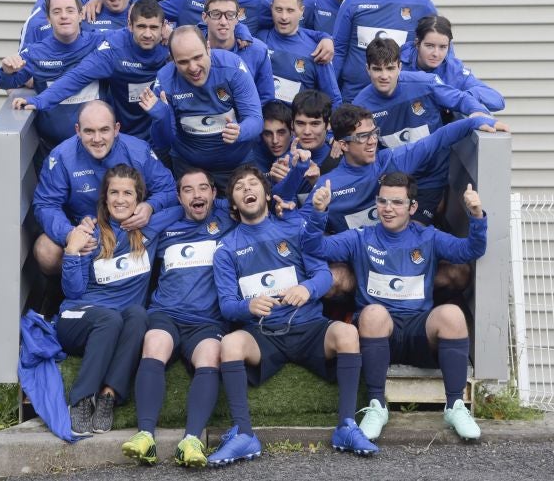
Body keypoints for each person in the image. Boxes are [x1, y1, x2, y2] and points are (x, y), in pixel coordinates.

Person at [208, 165, 378, 466]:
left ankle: (346, 427)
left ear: (266, 192)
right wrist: (247, 307)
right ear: (233, 203)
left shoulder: (295, 228)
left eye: (253, 184)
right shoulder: (226, 248)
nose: (248, 189)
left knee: (348, 333)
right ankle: (244, 435)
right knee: (230, 344)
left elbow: (323, 276)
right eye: (239, 187)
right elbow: (226, 305)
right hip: (264, 334)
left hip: (309, 326)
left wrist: (307, 289)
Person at [302, 172, 487, 441]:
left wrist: (476, 215)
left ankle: (455, 406)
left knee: (452, 315)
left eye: (397, 203)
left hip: (418, 328)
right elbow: (315, 246)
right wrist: (318, 212)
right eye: (382, 201)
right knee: (374, 312)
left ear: (412, 207)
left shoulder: (429, 237)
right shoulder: (360, 238)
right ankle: (377, 406)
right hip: (378, 332)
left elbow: (471, 250)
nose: (388, 209)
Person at [120, 168, 237, 467]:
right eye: (188, 189)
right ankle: (145, 436)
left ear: (213, 193)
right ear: (179, 196)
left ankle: (191, 440)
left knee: (211, 355)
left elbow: (243, 202)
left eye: (203, 188)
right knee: (154, 342)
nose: (196, 195)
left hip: (207, 322)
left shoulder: (227, 221)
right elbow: (136, 233)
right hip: (166, 314)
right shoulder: (166, 225)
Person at [57, 164, 169, 435]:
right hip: (78, 318)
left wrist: (151, 208)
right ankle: (82, 399)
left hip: (116, 325)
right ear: (105, 199)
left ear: (137, 199)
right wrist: (72, 251)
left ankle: (109, 395)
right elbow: (73, 291)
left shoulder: (149, 229)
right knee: (110, 317)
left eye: (128, 194)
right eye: (114, 193)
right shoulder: (91, 233)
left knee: (139, 315)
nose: (120, 199)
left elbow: (180, 205)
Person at [300, 103, 506, 234]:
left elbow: (437, 139)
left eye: (374, 133)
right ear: (343, 144)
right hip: (355, 260)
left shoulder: (391, 160)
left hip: (396, 254)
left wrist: (477, 121)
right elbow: (302, 225)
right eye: (363, 137)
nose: (372, 141)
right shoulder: (328, 185)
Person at [29, 100, 177, 277]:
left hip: (131, 230)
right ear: (77, 130)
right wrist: (70, 234)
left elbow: (169, 190)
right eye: (89, 131)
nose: (97, 139)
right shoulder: (61, 157)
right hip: (87, 235)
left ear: (116, 129)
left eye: (104, 130)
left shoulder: (138, 151)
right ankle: (70, 293)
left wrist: (150, 206)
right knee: (45, 250)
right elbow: (46, 204)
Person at [353, 37, 492, 224]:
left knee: (412, 230)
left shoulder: (424, 84)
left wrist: (481, 114)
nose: (384, 75)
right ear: (367, 69)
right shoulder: (361, 105)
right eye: (377, 69)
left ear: (400, 67)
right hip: (395, 183)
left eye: (390, 68)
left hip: (431, 180)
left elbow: (459, 98)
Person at [14, 0, 169, 144]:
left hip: (162, 134)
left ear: (163, 27)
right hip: (123, 135)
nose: (148, 34)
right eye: (141, 26)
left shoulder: (171, 45)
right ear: (130, 25)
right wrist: (39, 100)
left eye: (154, 27)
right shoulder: (114, 49)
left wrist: (173, 35)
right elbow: (77, 76)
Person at [138, 26, 263, 191]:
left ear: (208, 49)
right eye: (183, 62)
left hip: (238, 165)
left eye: (198, 57)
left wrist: (240, 131)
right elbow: (163, 142)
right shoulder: (165, 79)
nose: (193, 68)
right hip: (189, 168)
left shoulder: (232, 67)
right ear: (173, 60)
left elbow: (256, 120)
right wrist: (162, 117)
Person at [332, 0, 437, 102]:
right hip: (354, 100)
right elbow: (338, 51)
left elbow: (440, 52)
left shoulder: (422, 4)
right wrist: (332, 97)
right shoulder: (353, 1)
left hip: (403, 101)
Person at [0, 0, 106, 147]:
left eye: (70, 10)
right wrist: (6, 71)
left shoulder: (100, 43)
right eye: (57, 12)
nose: (64, 16)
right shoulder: (37, 52)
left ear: (81, 15)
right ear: (48, 18)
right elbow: (5, 82)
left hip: (97, 144)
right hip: (51, 147)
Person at [257, 0, 342, 108]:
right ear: (271, 8)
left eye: (290, 10)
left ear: (301, 11)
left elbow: (334, 100)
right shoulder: (258, 40)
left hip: (300, 125)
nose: (284, 17)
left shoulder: (317, 50)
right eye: (279, 9)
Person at [400, 15, 505, 112]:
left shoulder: (454, 70)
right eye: (430, 46)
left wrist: (462, 97)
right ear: (417, 44)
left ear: (448, 47)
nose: (436, 54)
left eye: (442, 47)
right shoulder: (395, 65)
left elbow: (497, 101)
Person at [202, 0, 274, 105]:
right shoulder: (193, 49)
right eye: (216, 14)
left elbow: (266, 99)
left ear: (237, 18)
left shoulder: (258, 51)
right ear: (205, 17)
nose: (223, 22)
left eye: (230, 15)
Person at [254, 100, 293, 178]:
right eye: (268, 134)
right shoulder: (254, 155)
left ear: (292, 131)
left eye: (281, 132)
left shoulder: (304, 151)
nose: (275, 140)